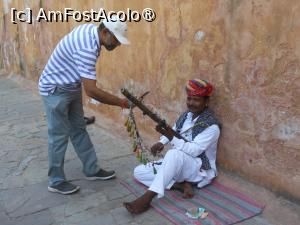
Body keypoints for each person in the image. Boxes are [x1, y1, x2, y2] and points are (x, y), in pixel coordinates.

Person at [38, 15, 130, 195]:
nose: (117, 45)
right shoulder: (88, 47)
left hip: (70, 86)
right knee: (58, 135)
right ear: (105, 32)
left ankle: (91, 169)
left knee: (78, 129)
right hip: (54, 89)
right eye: (116, 40)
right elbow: (92, 90)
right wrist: (120, 102)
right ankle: (55, 181)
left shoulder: (91, 31)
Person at [123, 79, 221, 214]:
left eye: (196, 100)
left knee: (173, 154)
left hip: (198, 168)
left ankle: (147, 198)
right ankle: (180, 186)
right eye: (189, 99)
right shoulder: (186, 116)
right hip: (178, 163)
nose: (191, 103)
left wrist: (171, 138)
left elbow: (194, 151)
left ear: (206, 102)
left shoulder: (212, 127)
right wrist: (161, 142)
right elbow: (174, 130)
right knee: (139, 171)